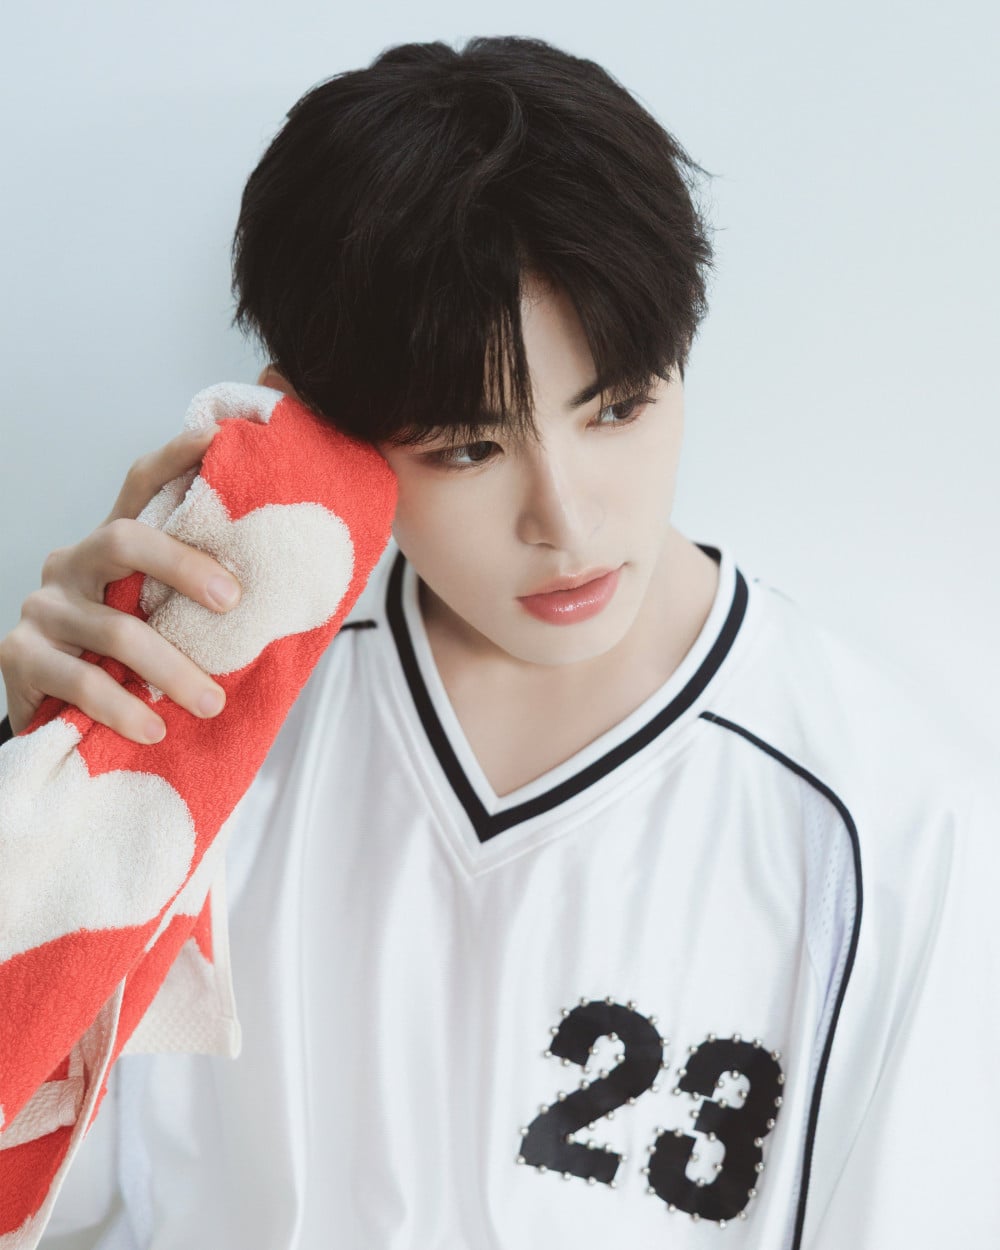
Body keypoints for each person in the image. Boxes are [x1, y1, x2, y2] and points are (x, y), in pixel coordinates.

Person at [1, 34, 997, 1250]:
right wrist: (43, 783)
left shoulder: (890, 828)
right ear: (316, 426)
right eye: (468, 447)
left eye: (618, 407)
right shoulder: (209, 720)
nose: (565, 521)